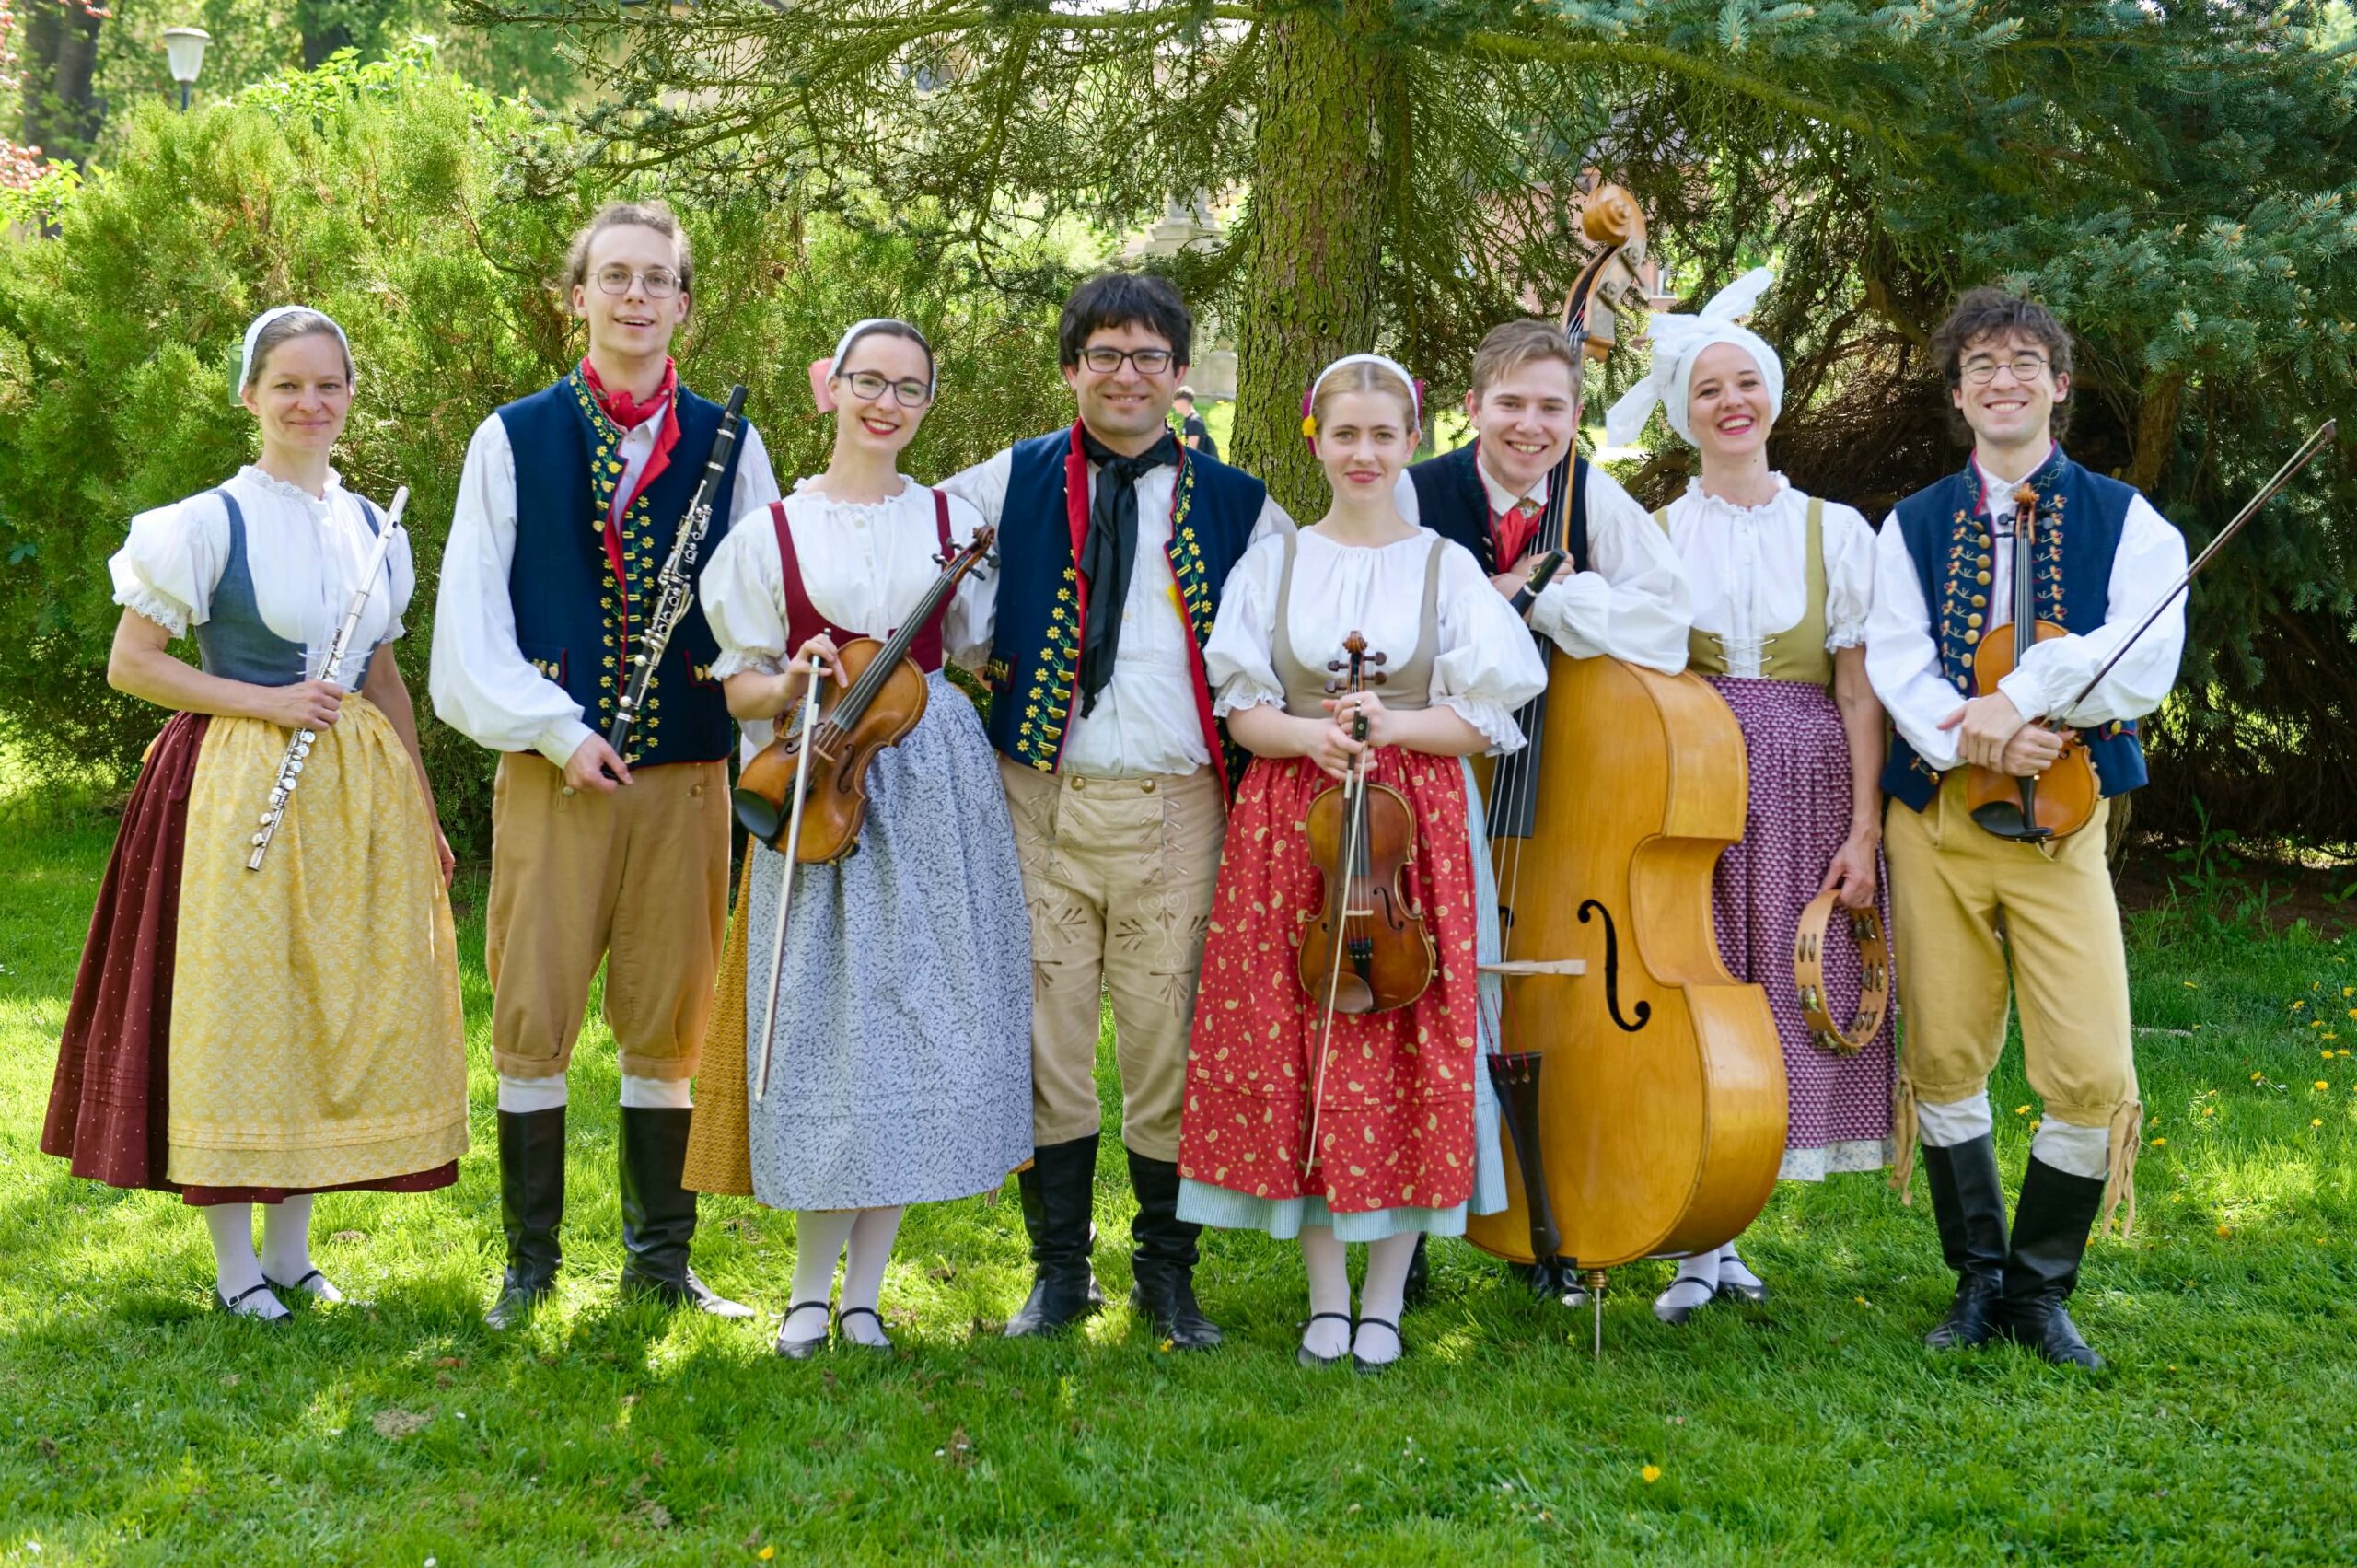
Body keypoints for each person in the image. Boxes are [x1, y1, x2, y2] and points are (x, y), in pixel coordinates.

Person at [42, 307, 469, 1321]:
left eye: (328, 384)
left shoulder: (374, 529)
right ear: (250, 395)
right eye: (287, 384)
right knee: (240, 1011)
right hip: (233, 785)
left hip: (356, 791)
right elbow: (133, 663)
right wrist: (266, 702)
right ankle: (234, 1264)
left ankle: (291, 1253)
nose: (309, 403)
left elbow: (383, 679)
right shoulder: (204, 523)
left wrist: (420, 805)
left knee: (326, 1006)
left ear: (350, 395)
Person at [432, 200, 781, 1330]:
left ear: (683, 303)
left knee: (669, 1017)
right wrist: (554, 727)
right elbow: (470, 625)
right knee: (532, 1011)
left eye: (656, 279)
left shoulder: (732, 444)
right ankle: (530, 1264)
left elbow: (762, 616)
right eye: (614, 276)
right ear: (576, 296)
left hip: (685, 771)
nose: (635, 296)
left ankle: (658, 1262)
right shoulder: (513, 437)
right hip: (554, 772)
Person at [938, 273, 1294, 1350]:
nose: (1126, 375)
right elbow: (904, 559)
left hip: (1179, 808)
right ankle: (1058, 1275)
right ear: (1070, 369)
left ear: (1179, 375)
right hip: (1038, 799)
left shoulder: (1243, 504)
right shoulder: (1002, 480)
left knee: (1166, 1045)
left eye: (1148, 356)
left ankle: (1166, 1276)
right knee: (1044, 1042)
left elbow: (1296, 632)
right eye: (1104, 355)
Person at [1176, 354, 1548, 1371]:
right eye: (1345, 433)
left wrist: (1391, 723)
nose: (1365, 453)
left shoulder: (1443, 566)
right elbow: (1242, 707)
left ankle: (1383, 1298)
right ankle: (1326, 1296)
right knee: (1301, 1032)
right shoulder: (1275, 564)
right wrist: (1310, 737)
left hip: (1408, 826)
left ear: (1413, 441)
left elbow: (1484, 715)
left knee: (1409, 1032)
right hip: (1292, 819)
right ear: (1316, 440)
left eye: (1385, 434)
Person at [691, 319, 1034, 1356]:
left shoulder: (952, 519)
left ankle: (865, 1296)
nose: (886, 403)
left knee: (913, 1034)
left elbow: (971, 650)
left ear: (928, 402)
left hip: (932, 782)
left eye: (909, 388)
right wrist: (788, 682)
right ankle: (807, 1295)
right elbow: (737, 685)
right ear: (829, 388)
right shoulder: (771, 532)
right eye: (869, 382)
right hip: (819, 785)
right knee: (826, 1038)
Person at [1865, 286, 2188, 1370]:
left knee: (2090, 1065)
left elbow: (2140, 660)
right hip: (1936, 822)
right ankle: (1979, 1279)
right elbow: (1897, 662)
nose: (2001, 380)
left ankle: (2041, 1291)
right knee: (1943, 1052)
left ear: (2058, 386)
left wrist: (2026, 693)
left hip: (2062, 824)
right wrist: (1977, 737)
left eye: (2022, 363)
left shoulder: (2129, 521)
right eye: (1979, 367)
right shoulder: (1910, 524)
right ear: (1958, 397)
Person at [1601, 270, 1895, 1324]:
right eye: (1707, 390)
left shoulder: (1835, 530)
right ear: (1683, 415)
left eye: (1745, 383)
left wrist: (1863, 828)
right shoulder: (1654, 534)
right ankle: (1703, 1241)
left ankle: (1724, 1226)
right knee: (1698, 988)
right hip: (1691, 785)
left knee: (1781, 987)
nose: (1730, 403)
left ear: (1771, 395)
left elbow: (1858, 690)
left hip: (1808, 781)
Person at [1391, 316, 1695, 1308]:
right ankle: (1407, 1225)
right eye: (1511, 404)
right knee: (1419, 998)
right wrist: (1484, 603)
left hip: (1562, 799)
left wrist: (1554, 601)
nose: (1530, 425)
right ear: (1472, 406)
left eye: (1552, 408)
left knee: (1544, 1015)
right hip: (1438, 775)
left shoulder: (1593, 497)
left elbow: (1669, 621)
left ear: (1576, 415)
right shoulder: (1414, 492)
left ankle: (1545, 1214)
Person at [1174, 387, 1218, 459]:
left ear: (1183, 401)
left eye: (1175, 402)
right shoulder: (1189, 419)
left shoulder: (1194, 422)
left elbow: (1191, 450)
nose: (1174, 405)